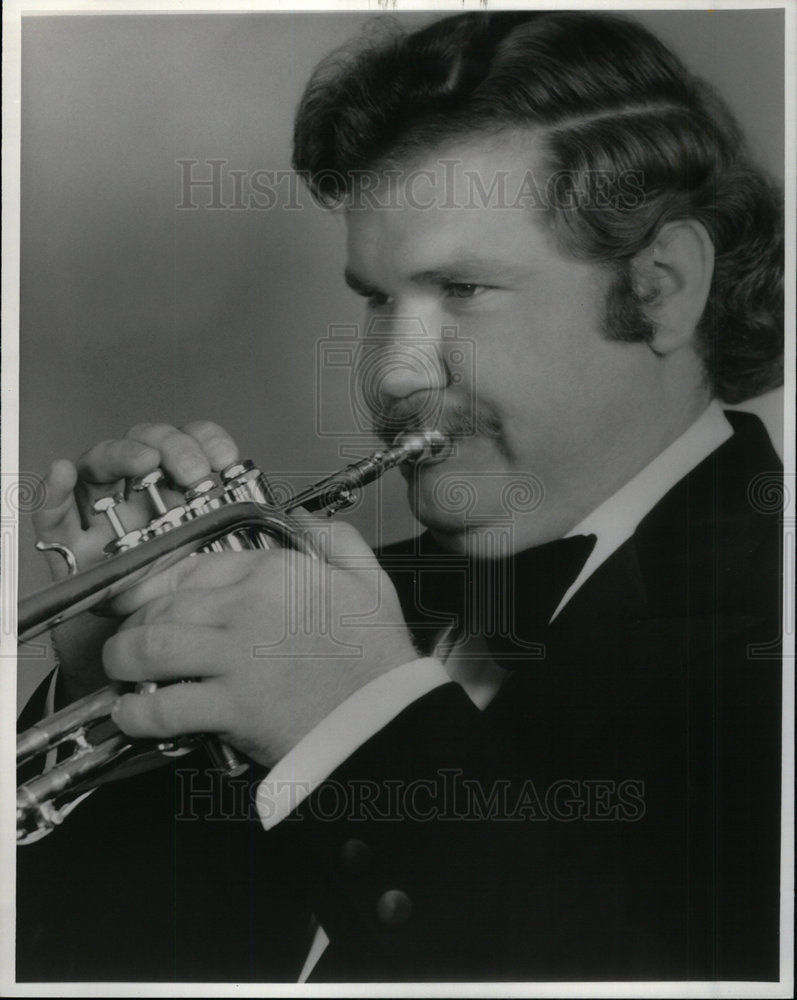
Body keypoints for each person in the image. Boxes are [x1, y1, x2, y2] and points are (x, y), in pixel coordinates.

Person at [17, 10, 784, 983]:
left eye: (461, 289)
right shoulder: (345, 606)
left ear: (662, 287)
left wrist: (361, 726)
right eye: (378, 300)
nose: (392, 376)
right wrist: (108, 686)